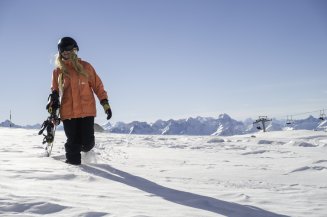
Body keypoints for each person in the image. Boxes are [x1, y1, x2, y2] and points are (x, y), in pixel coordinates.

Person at [46, 36, 112, 165]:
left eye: (69, 50)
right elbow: (54, 90)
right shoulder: (58, 71)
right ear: (60, 52)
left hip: (87, 111)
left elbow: (98, 86)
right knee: (73, 141)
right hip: (68, 113)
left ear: (75, 50)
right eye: (63, 50)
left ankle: (84, 152)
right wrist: (53, 102)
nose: (66, 52)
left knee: (88, 143)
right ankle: (73, 169)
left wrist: (105, 103)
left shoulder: (86, 67)